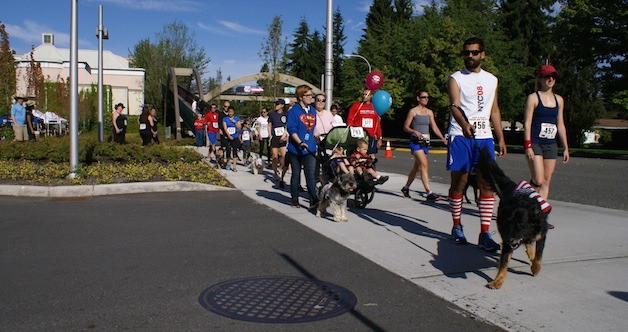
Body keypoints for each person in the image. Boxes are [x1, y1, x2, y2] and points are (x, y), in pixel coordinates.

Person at [446, 37, 507, 251]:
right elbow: (454, 105)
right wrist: (463, 124)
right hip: (460, 136)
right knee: (460, 183)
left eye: (474, 52)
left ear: (483, 54)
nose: (469, 56)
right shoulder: (455, 78)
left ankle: (484, 233)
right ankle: (456, 226)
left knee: (486, 185)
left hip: (484, 137)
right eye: (466, 53)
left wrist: (500, 138)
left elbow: (495, 110)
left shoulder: (492, 80)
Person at [523, 64, 570, 229]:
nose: (550, 79)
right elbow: (527, 123)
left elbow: (561, 124)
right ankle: (522, 197)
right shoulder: (533, 98)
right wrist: (528, 144)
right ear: (540, 79)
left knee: (546, 181)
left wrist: (565, 147)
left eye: (553, 77)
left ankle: (539, 217)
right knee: (538, 179)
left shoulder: (559, 100)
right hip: (535, 142)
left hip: (551, 144)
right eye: (547, 76)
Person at [401, 89, 447, 200]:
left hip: (425, 143)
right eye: (424, 97)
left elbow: (434, 127)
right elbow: (405, 127)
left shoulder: (429, 112)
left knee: (417, 168)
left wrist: (442, 138)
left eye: (427, 97)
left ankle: (406, 187)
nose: (426, 99)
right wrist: (414, 131)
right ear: (418, 98)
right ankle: (429, 193)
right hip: (415, 142)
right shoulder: (413, 111)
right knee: (424, 165)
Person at [286, 85, 319, 209]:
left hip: (310, 148)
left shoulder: (312, 110)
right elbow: (291, 129)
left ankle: (313, 200)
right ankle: (295, 199)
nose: (311, 98)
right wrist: (299, 142)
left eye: (311, 95)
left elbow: (311, 128)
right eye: (308, 95)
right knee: (296, 174)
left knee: (310, 175)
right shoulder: (294, 111)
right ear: (301, 97)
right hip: (296, 149)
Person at [346, 88, 382, 158]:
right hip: (360, 135)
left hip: (371, 135)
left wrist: (379, 137)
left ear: (371, 96)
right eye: (363, 94)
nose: (364, 96)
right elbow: (350, 120)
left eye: (367, 95)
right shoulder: (356, 106)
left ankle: (371, 168)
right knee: (359, 156)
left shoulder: (375, 107)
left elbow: (377, 124)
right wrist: (352, 129)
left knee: (371, 156)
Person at [268, 99, 288, 185]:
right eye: (275, 104)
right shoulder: (272, 114)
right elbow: (269, 124)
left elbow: (288, 125)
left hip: (283, 136)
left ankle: (280, 168)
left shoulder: (286, 114)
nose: (276, 105)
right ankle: (275, 172)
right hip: (275, 136)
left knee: (283, 155)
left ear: (282, 105)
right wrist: (270, 135)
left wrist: (285, 135)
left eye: (278, 104)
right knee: (275, 156)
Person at [222, 106, 241, 171]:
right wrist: (228, 135)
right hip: (228, 136)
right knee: (228, 150)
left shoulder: (237, 118)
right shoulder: (225, 119)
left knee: (235, 151)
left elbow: (239, 127)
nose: (230, 113)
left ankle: (234, 166)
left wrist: (235, 122)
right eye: (229, 112)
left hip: (235, 136)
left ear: (234, 112)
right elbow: (225, 128)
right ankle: (228, 162)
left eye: (232, 112)